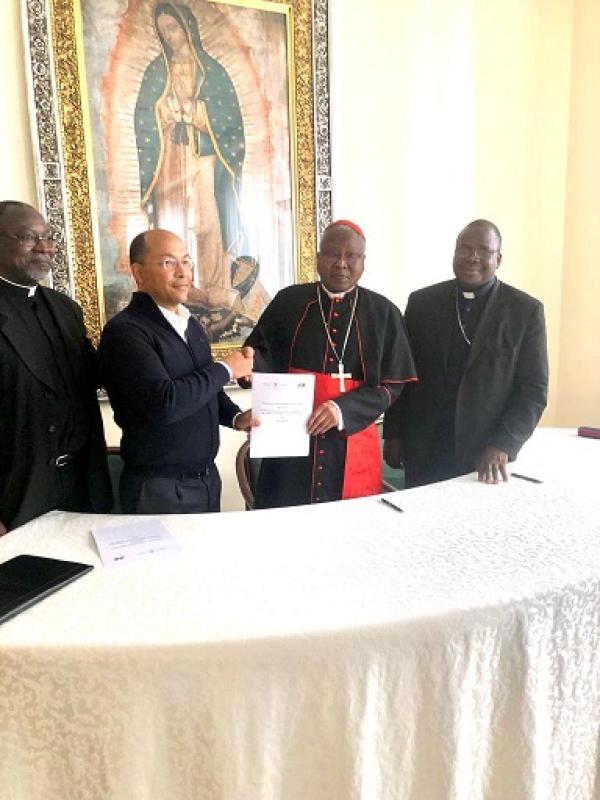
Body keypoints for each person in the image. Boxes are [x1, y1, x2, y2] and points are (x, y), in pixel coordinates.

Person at [244, 220, 417, 508]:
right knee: (286, 517)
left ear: (363, 262)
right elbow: (261, 354)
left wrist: (341, 409)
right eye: (333, 254)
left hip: (352, 438)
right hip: (292, 441)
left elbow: (392, 385)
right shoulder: (289, 302)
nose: (341, 263)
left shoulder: (383, 312)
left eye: (352, 256)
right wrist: (250, 367)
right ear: (318, 258)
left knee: (349, 524)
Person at [99, 228, 256, 514]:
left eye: (186, 261)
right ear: (138, 273)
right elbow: (165, 403)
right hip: (158, 488)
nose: (183, 272)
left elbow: (206, 390)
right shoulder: (125, 332)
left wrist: (236, 417)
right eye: (169, 262)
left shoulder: (190, 324)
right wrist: (226, 368)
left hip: (206, 480)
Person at [383, 219, 549, 487]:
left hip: (484, 454)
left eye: (484, 250)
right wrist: (393, 434)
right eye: (465, 249)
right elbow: (401, 372)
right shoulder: (422, 303)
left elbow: (533, 390)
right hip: (424, 447)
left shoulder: (524, 312)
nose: (473, 257)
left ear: (498, 259)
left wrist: (503, 444)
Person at [134, 2, 266, 335]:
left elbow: (230, 125)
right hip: (170, 159)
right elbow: (145, 119)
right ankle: (186, 294)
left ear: (187, 27)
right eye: (163, 31)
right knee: (173, 225)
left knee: (206, 224)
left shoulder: (212, 72)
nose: (170, 36)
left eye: (173, 28)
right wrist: (164, 114)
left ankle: (215, 290)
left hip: (204, 157)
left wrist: (197, 115)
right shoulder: (156, 71)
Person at [0, 201, 112, 534]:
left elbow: (92, 376)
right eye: (28, 237)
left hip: (83, 483)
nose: (45, 247)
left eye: (48, 237)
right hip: (17, 493)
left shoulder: (65, 309)